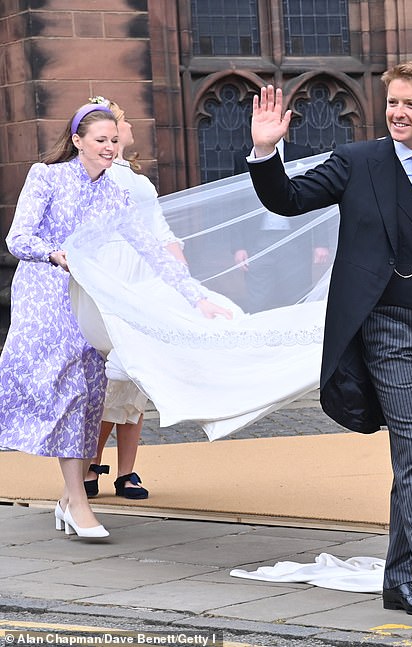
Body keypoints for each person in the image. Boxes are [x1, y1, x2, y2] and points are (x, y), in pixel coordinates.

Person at [244, 60, 412, 624]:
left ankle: (396, 581)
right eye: (392, 102)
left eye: (410, 104)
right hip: (386, 327)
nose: (397, 112)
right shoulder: (357, 162)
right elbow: (287, 200)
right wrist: (266, 153)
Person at [0, 101, 228, 540]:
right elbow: (18, 237)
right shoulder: (46, 176)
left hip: (91, 300)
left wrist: (196, 297)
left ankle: (70, 499)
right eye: (99, 140)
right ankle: (79, 500)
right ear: (77, 141)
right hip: (46, 294)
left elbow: (150, 249)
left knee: (89, 393)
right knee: (65, 389)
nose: (108, 147)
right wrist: (54, 253)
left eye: (112, 139)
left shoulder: (116, 193)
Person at [83, 97, 189, 500]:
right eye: (119, 126)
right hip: (109, 283)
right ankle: (91, 462)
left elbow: (159, 231)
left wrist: (179, 274)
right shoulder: (92, 177)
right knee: (110, 380)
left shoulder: (139, 182)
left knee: (135, 380)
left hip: (143, 285)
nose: (125, 133)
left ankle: (126, 471)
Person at [230, 140, 324, 312]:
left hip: (295, 238)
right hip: (257, 241)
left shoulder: (302, 153)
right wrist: (238, 246)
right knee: (258, 300)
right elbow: (238, 203)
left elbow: (315, 195)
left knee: (297, 297)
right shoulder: (242, 156)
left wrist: (320, 243)